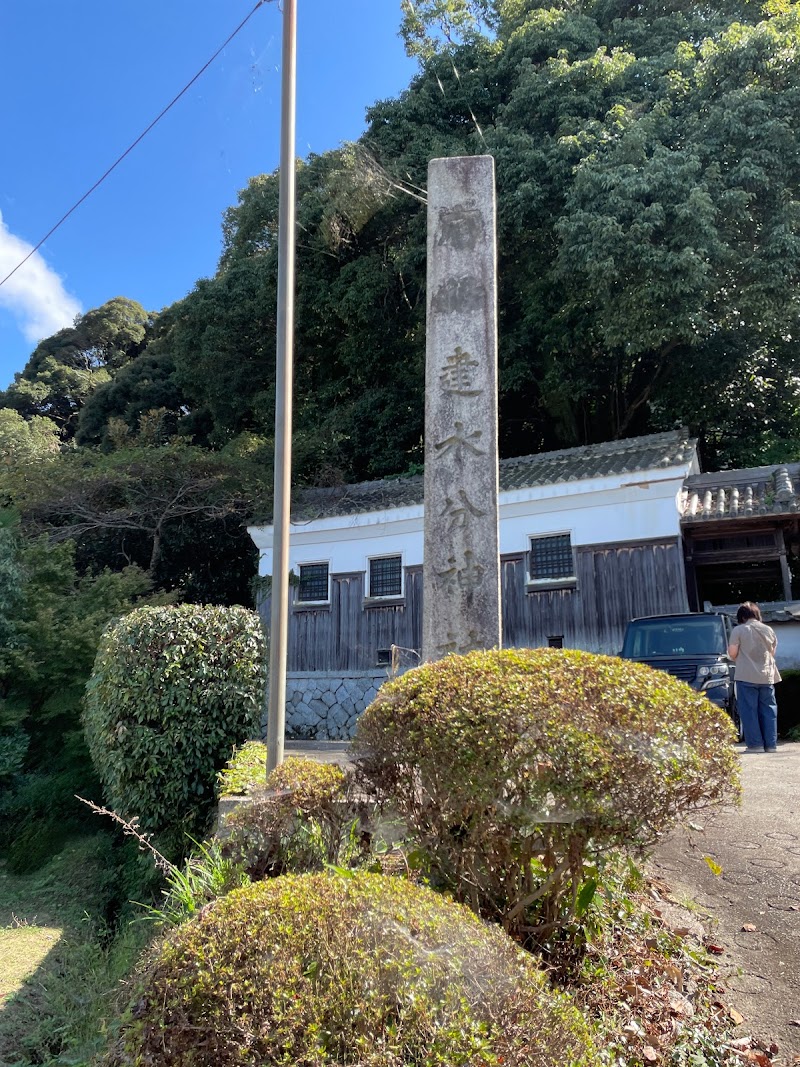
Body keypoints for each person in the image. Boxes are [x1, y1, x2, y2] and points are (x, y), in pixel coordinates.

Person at [728, 602, 781, 752]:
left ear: (742, 616)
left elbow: (732, 653)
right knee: (769, 710)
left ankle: (755, 745)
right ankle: (771, 745)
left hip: (746, 675)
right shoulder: (769, 630)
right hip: (767, 676)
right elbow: (772, 653)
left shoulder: (739, 630)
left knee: (749, 711)